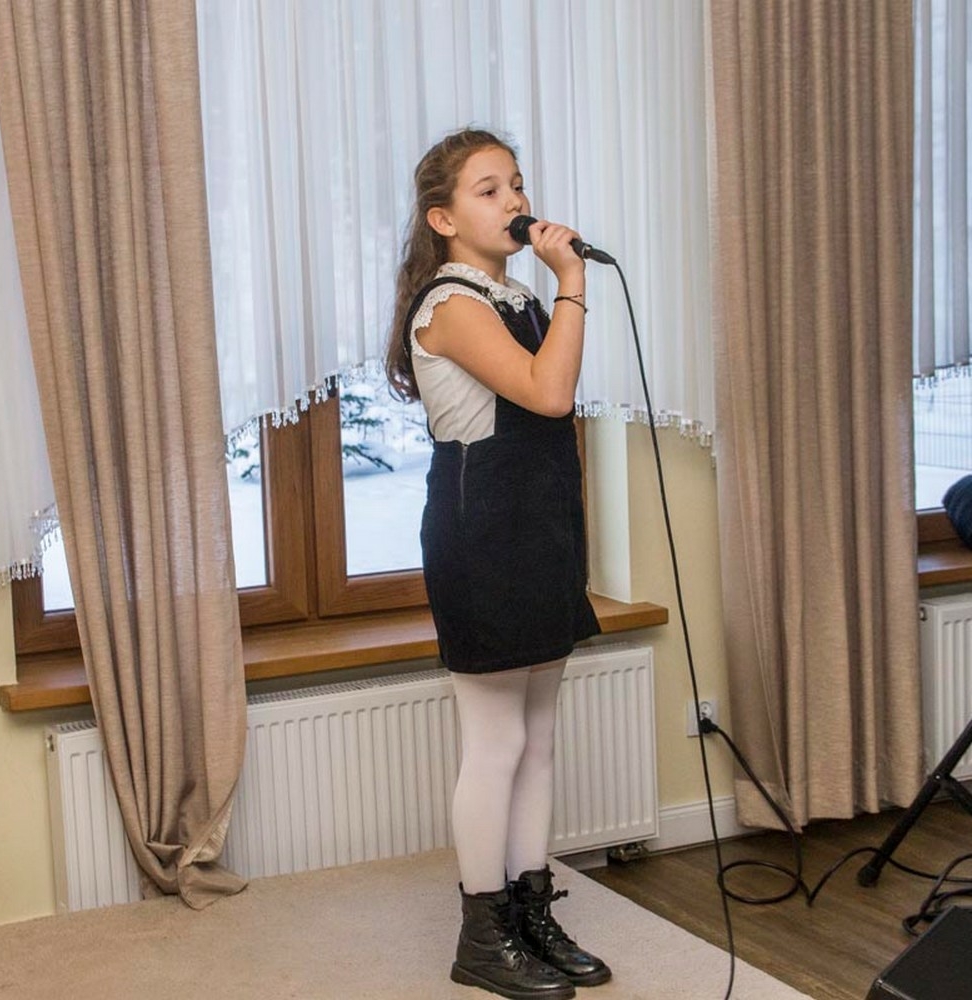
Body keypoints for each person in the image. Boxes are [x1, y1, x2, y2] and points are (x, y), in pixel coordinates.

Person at [385, 128, 610, 1000]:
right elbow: (549, 394)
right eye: (488, 189)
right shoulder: (451, 305)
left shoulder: (513, 297)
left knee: (539, 738)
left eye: (516, 183)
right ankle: (482, 936)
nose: (515, 200)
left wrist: (558, 291)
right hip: (483, 538)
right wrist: (574, 282)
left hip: (543, 529)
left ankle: (528, 909)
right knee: (496, 742)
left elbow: (552, 404)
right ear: (442, 218)